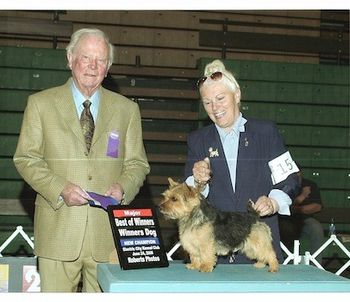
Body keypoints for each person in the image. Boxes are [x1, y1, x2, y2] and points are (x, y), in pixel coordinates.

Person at [13, 28, 150, 292]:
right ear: (70, 59)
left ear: (108, 67)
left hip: (107, 237)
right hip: (58, 233)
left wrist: (123, 187)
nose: (93, 66)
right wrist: (60, 188)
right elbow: (26, 159)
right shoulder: (40, 104)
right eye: (86, 57)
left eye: (100, 60)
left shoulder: (127, 110)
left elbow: (137, 164)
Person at [184, 59, 300, 264]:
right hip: (213, 254)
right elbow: (187, 197)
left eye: (220, 98)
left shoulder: (266, 132)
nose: (215, 107)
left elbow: (291, 179)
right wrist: (198, 181)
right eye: (207, 102)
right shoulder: (197, 140)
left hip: (257, 248)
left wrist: (273, 201)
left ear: (237, 95)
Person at [279, 170, 325, 263]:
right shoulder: (282, 186)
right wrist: (302, 197)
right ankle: (285, 263)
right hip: (285, 219)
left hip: (305, 219)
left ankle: (316, 264)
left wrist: (297, 208)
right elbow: (283, 206)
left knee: (316, 228)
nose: (297, 175)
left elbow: (317, 207)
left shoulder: (310, 185)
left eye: (298, 172)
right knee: (286, 229)